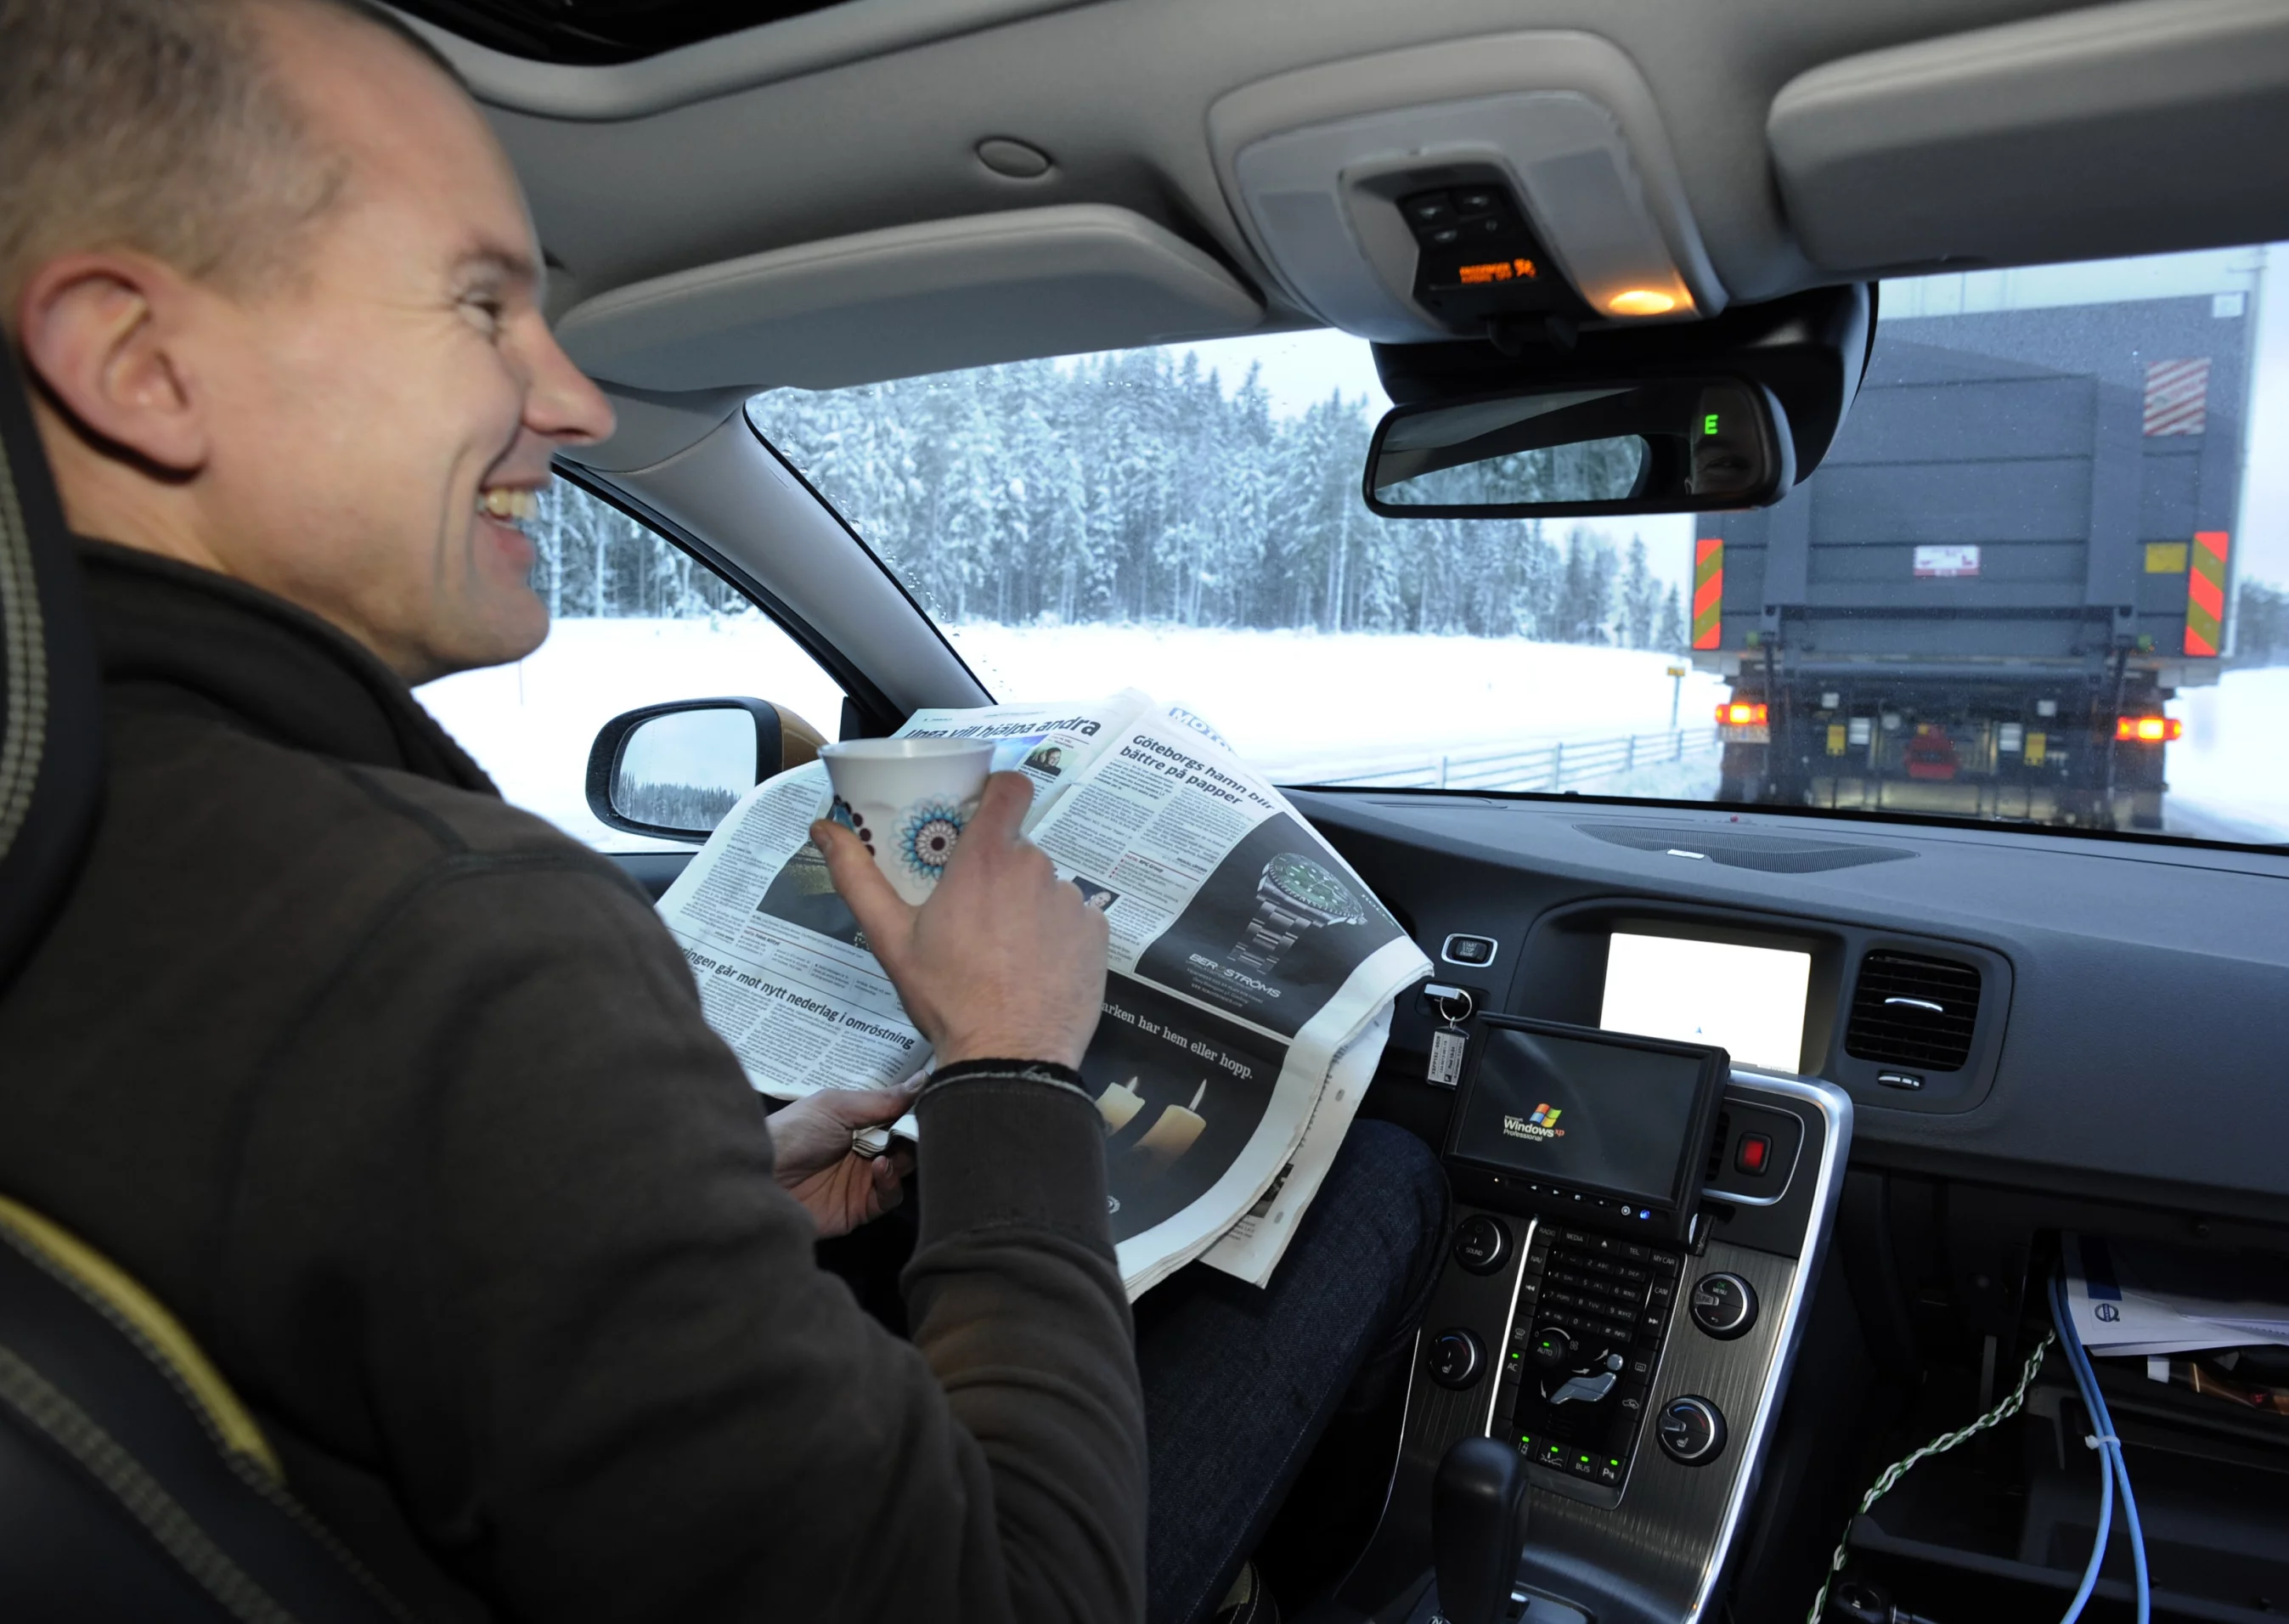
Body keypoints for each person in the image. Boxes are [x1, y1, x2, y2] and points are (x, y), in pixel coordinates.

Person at [0, 1, 1446, 1620]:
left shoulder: (108, 849)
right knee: (1376, 1183)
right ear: (138, 364)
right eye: (483, 306)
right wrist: (1011, 1062)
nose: (576, 404)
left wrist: (703, 1191)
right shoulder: (455, 949)